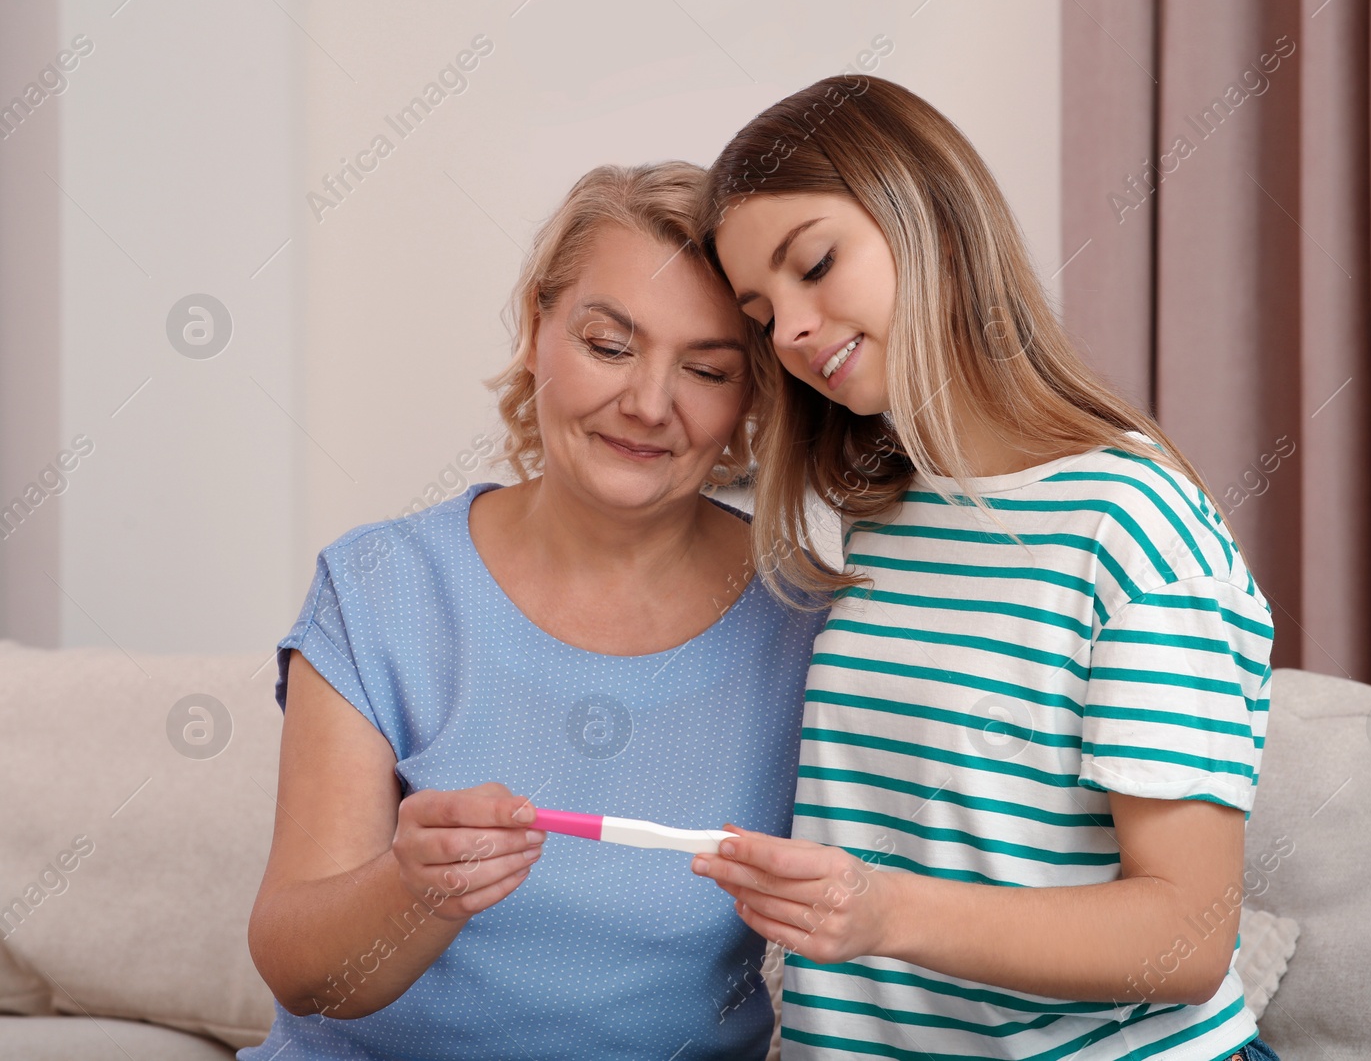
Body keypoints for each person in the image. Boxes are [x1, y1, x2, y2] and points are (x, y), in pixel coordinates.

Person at [685, 76, 1283, 1061]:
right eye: (759, 310)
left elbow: (1184, 937)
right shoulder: (890, 516)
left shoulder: (1132, 520)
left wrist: (882, 912)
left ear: (931, 217)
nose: (789, 327)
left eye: (816, 264)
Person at [241, 162, 824, 1060]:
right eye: (608, 344)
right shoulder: (380, 589)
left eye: (707, 368)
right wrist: (414, 890)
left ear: (752, 397)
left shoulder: (808, 624)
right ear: (536, 330)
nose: (648, 403)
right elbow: (299, 967)